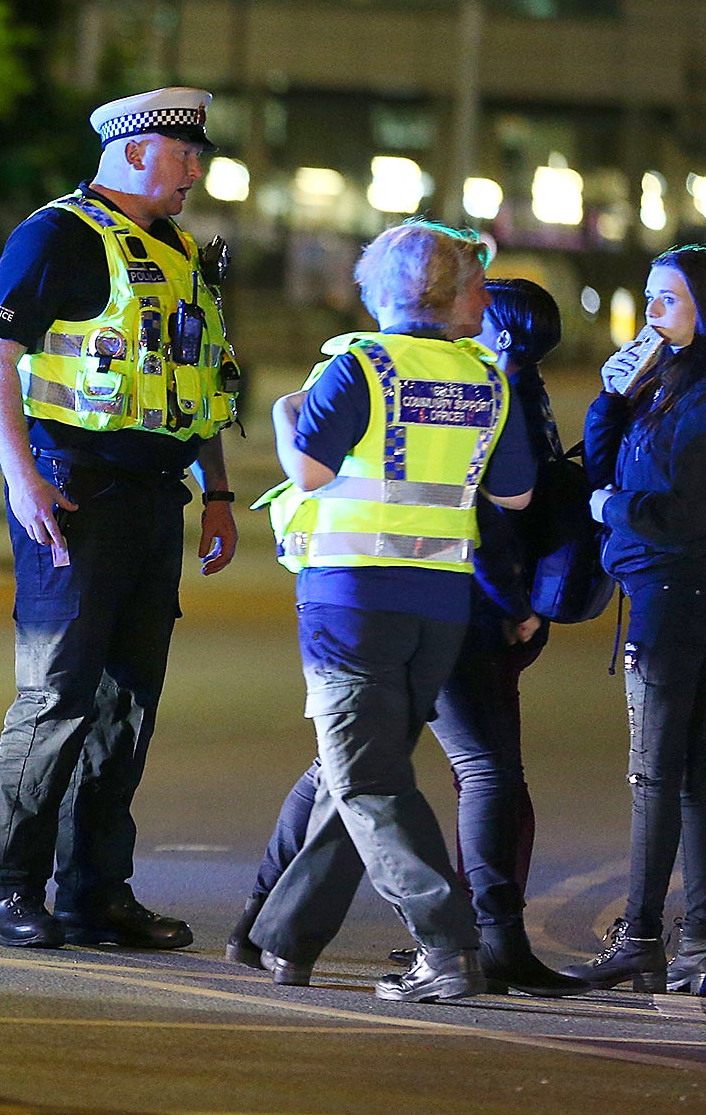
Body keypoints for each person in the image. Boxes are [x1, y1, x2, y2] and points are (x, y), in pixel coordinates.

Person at [229, 278, 583, 997]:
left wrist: (279, 412)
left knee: (357, 771)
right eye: (470, 295)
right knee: (367, 770)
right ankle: (285, 932)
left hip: (366, 596)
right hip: (446, 604)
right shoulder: (494, 386)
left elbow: (308, 467)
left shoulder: (366, 367)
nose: (476, 310)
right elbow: (511, 499)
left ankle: (448, 944)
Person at [0, 87, 242, 950]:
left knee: (129, 703)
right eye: (183, 152)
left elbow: (200, 383)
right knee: (56, 695)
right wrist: (21, 480)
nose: (196, 168)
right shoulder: (55, 236)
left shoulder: (183, 252)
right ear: (131, 152)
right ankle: (11, 887)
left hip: (159, 494)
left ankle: (96, 892)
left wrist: (221, 493)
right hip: (73, 491)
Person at [564, 245, 706, 996]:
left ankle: (642, 938)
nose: (649, 313)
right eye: (647, 297)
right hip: (660, 588)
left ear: (704, 308)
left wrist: (613, 512)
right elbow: (600, 467)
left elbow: (685, 512)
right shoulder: (665, 382)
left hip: (679, 593)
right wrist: (612, 397)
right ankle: (700, 945)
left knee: (655, 775)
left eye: (666, 299)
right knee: (680, 776)